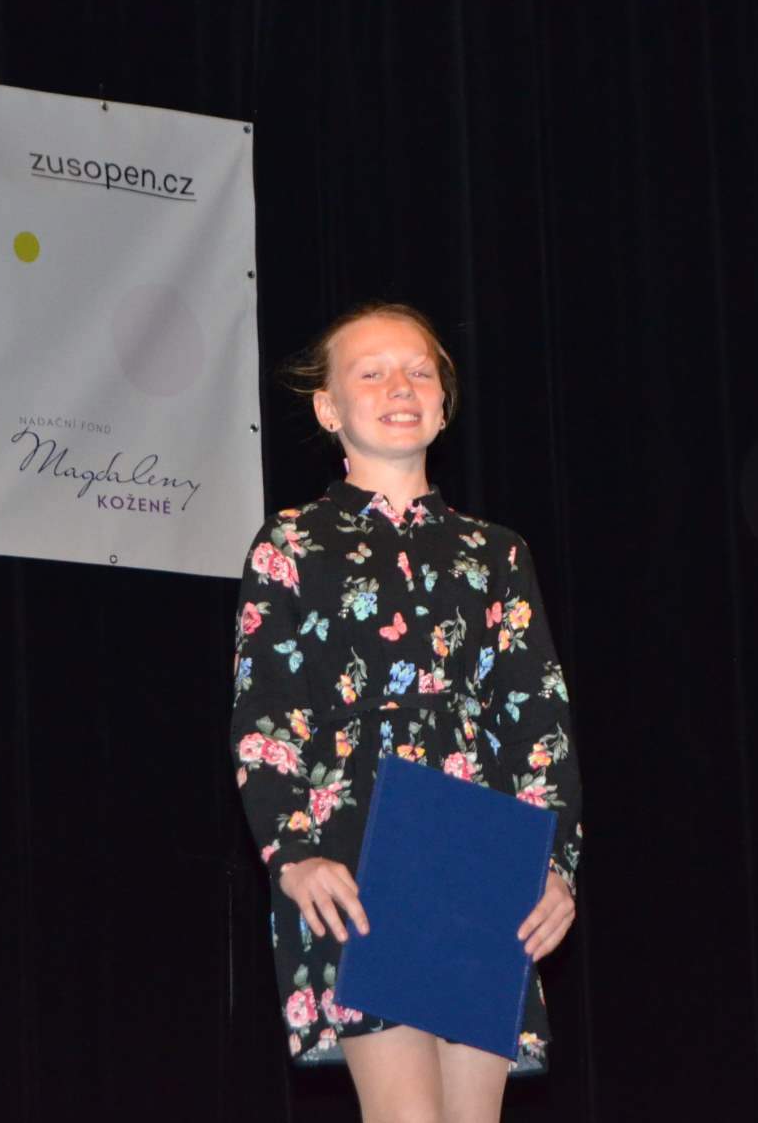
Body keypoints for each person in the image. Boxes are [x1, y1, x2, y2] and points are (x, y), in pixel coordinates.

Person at [228, 303, 583, 1121]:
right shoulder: (291, 543)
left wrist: (556, 864)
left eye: (420, 371)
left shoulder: (496, 552)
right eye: (373, 371)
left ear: (444, 406)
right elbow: (264, 711)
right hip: (355, 843)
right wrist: (294, 851)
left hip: (481, 844)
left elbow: (540, 716)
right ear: (328, 408)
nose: (401, 386)